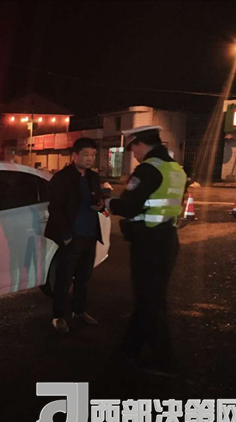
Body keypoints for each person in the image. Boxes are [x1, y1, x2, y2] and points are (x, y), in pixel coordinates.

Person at [105, 125, 187, 378]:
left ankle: (165, 361)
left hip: (149, 242)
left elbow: (129, 206)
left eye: (133, 149)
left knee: (150, 301)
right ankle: (129, 350)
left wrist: (108, 202)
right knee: (150, 298)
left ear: (140, 144)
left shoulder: (148, 169)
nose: (134, 154)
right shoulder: (175, 168)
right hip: (167, 238)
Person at [45, 137, 105, 334]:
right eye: (86, 154)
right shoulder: (62, 178)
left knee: (83, 277)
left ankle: (79, 311)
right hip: (72, 236)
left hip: (90, 235)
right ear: (75, 155)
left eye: (93, 155)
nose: (90, 159)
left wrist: (100, 205)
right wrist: (66, 236)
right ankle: (58, 316)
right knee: (64, 278)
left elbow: (98, 199)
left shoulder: (93, 177)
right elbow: (55, 208)